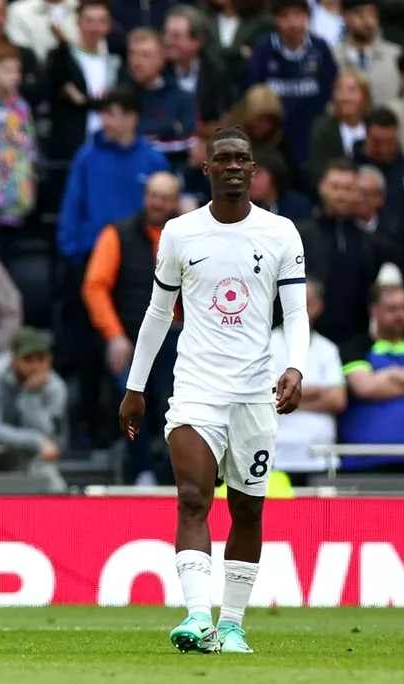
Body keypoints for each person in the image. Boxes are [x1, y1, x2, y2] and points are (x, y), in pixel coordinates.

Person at [118, 126, 309, 655]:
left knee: (247, 510)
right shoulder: (180, 233)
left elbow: (295, 312)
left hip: (254, 394)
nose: (232, 166)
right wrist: (135, 387)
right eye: (222, 158)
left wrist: (295, 366)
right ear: (206, 169)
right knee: (193, 498)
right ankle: (199, 618)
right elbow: (159, 313)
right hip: (196, 388)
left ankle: (232, 624)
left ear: (254, 170)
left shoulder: (280, 233)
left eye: (241, 159)